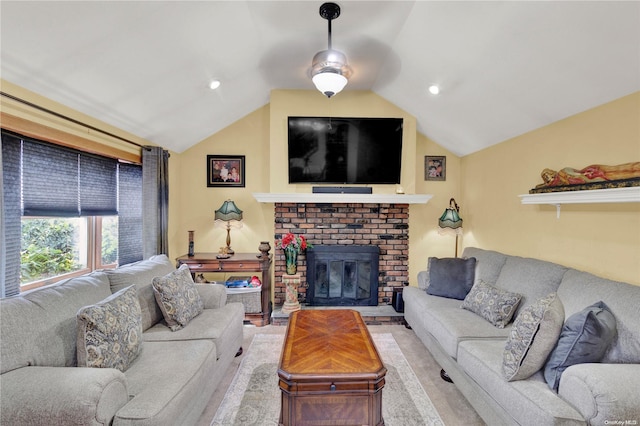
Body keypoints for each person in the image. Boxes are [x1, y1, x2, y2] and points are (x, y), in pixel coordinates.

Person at [536, 162, 640, 188]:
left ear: (552, 173)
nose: (547, 179)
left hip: (593, 173)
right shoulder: (559, 184)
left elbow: (580, 176)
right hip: (594, 180)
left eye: (547, 176)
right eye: (545, 179)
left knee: (619, 171)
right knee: (622, 175)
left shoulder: (563, 172)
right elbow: (547, 186)